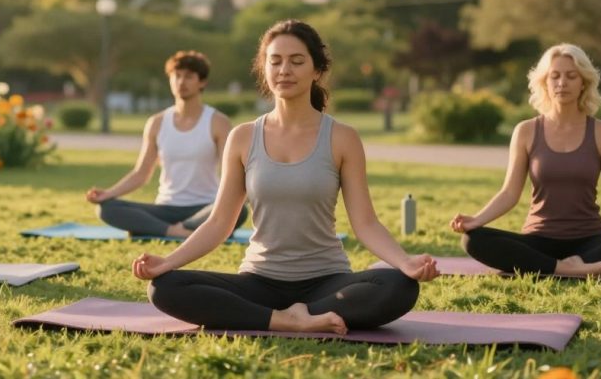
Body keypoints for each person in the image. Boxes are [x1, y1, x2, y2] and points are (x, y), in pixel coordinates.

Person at [133, 20, 437, 334]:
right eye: (275, 61)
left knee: (397, 286)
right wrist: (168, 262)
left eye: (297, 61)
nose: (284, 70)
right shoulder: (243, 137)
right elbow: (219, 222)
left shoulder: (342, 138)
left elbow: (365, 223)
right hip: (259, 281)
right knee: (165, 287)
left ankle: (283, 315)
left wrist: (405, 262)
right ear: (264, 69)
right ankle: (286, 319)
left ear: (317, 70)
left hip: (326, 282)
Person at [450, 43, 601, 278]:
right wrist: (476, 220)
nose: (562, 83)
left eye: (571, 76)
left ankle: (569, 264)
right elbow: (509, 193)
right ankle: (567, 269)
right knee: (473, 240)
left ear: (584, 83)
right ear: (545, 83)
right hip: (538, 240)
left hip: (590, 242)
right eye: (555, 76)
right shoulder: (526, 131)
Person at [85, 50, 247, 237]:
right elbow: (141, 174)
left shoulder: (218, 122)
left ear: (202, 82)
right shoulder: (157, 122)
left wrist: (227, 206)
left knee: (239, 210)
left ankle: (163, 229)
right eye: (176, 76)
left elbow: (230, 172)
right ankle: (177, 232)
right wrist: (108, 194)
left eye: (188, 77)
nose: (181, 82)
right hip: (164, 209)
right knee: (107, 209)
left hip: (205, 208)